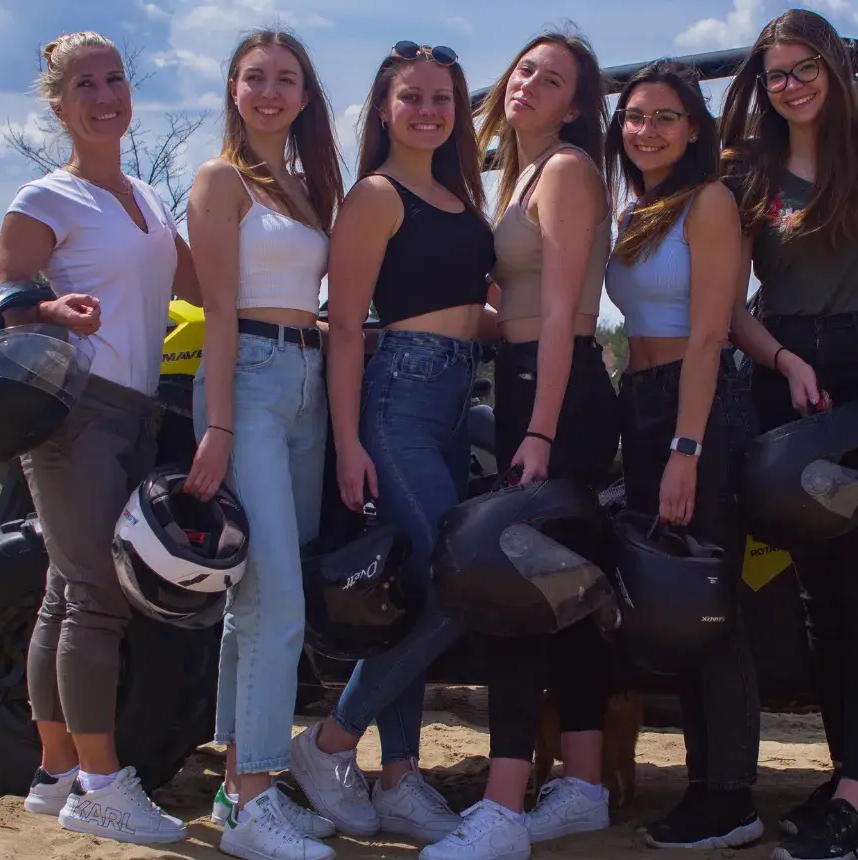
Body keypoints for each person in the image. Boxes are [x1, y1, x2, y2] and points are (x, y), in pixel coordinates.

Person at [716, 10, 858, 859]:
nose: (793, 85)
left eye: (810, 68)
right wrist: (781, 360)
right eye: (778, 74)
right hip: (790, 383)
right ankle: (848, 779)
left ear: (839, 71)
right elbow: (727, 304)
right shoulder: (748, 172)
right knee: (821, 599)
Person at [418, 27, 619, 860]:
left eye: (552, 79)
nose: (528, 84)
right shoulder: (519, 177)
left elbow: (567, 313)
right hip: (528, 382)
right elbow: (521, 309)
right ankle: (581, 787)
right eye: (524, 70)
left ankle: (502, 808)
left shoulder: (567, 169)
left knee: (517, 591)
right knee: (564, 595)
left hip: (555, 396)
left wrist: (538, 427)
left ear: (574, 107)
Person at [289, 40, 495, 846]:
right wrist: (348, 441)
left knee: (413, 589)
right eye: (412, 97)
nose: (428, 111)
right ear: (383, 107)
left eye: (442, 98)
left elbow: (469, 305)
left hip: (457, 397)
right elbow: (345, 326)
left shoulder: (458, 194)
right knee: (457, 579)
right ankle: (330, 742)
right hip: (400, 398)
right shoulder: (375, 195)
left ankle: (402, 775)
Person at [0, 30, 200, 845]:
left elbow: (200, 284)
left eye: (114, 79)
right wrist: (52, 308)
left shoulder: (146, 199)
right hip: (75, 410)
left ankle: (56, 773)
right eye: (85, 84)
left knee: (65, 588)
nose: (105, 96)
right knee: (96, 598)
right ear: (58, 106)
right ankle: (103, 787)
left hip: (134, 409)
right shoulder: (46, 197)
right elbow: (3, 303)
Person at [181, 28, 344, 860]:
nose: (270, 92)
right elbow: (218, 308)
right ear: (234, 91)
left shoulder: (309, 189)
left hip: (308, 382)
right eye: (255, 78)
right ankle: (253, 805)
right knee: (276, 599)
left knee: (262, 598)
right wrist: (218, 424)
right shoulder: (221, 180)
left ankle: (237, 786)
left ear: (306, 96)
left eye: (286, 79)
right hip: (246, 380)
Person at [602, 59, 763, 851]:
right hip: (642, 402)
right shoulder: (639, 209)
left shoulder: (709, 201)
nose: (647, 130)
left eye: (666, 117)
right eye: (635, 116)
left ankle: (730, 797)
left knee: (709, 601)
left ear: (694, 128)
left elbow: (710, 333)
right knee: (674, 601)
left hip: (694, 409)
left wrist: (686, 447)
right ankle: (705, 791)